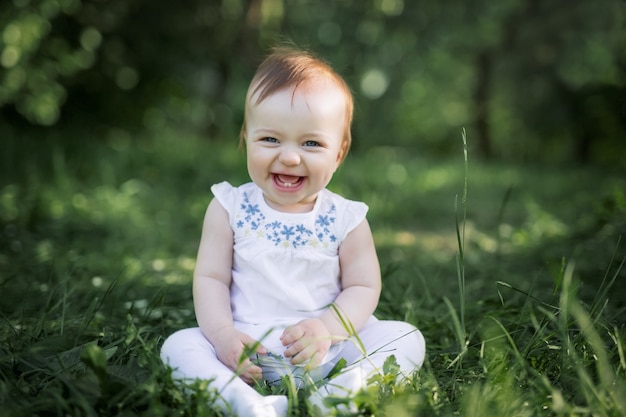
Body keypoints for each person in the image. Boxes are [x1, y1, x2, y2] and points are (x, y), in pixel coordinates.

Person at [160, 46, 426, 417]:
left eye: (311, 143)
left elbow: (363, 287)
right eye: (270, 139)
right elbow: (211, 278)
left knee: (405, 337)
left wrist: (328, 328)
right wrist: (222, 336)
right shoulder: (228, 207)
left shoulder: (346, 218)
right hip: (245, 350)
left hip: (329, 347)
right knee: (178, 345)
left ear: (339, 153)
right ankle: (248, 403)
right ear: (246, 138)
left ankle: (340, 393)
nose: (289, 156)